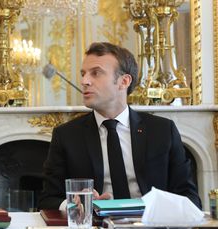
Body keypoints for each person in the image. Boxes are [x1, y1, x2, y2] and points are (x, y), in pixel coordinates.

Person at [38, 42, 201, 210]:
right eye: (83, 74)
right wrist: (75, 204)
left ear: (124, 81)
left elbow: (189, 198)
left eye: (96, 73)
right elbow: (47, 199)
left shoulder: (162, 131)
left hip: (149, 228)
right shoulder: (66, 136)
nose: (85, 81)